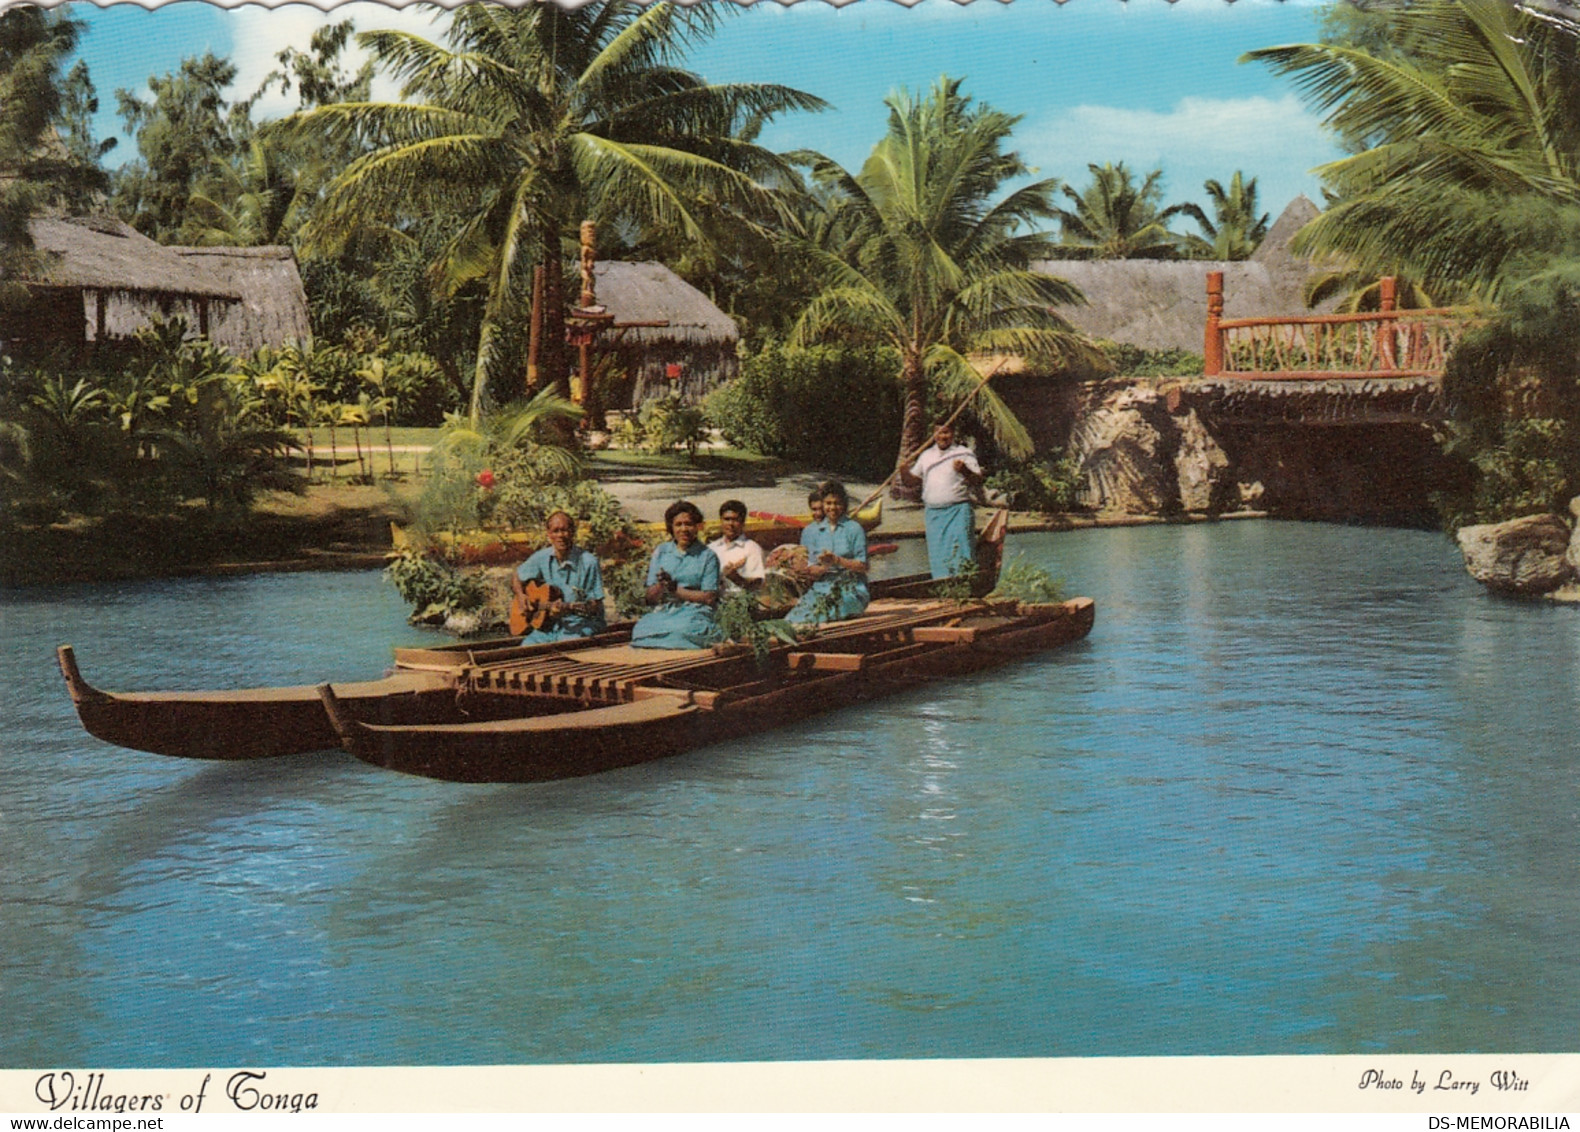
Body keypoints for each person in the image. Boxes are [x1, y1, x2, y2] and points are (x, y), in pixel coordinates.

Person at [632, 500, 723, 649]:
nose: (684, 529)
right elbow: (650, 597)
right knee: (641, 629)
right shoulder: (662, 552)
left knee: (685, 629)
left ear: (697, 527)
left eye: (689, 524)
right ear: (671, 528)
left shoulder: (708, 556)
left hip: (695, 611)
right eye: (678, 524)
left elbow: (709, 597)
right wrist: (661, 585)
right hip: (666, 610)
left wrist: (675, 590)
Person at [899, 420, 984, 579]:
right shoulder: (926, 455)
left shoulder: (963, 453)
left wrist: (964, 470)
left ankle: (967, 584)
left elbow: (978, 481)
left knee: (962, 548)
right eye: (939, 432)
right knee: (938, 553)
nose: (942, 436)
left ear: (953, 434)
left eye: (946, 432)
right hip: (934, 514)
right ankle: (943, 584)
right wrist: (904, 472)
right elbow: (912, 482)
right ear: (934, 434)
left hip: (958, 511)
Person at [513, 511, 606, 644]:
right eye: (556, 531)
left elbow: (595, 606)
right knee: (525, 649)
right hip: (548, 628)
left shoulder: (588, 562)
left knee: (565, 647)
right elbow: (517, 576)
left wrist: (568, 608)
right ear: (548, 534)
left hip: (580, 625)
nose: (560, 536)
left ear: (573, 532)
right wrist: (521, 596)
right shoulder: (541, 557)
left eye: (565, 530)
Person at [787, 481, 870, 625]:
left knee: (824, 613)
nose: (832, 508)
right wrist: (818, 568)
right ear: (823, 504)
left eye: (837, 503)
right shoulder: (812, 531)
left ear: (844, 504)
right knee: (793, 620)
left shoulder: (854, 529)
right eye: (828, 503)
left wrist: (837, 560)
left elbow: (863, 566)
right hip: (821, 589)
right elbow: (811, 568)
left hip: (852, 589)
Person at [707, 499, 765, 596]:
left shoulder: (752, 548)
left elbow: (757, 586)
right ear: (721, 521)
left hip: (739, 604)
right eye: (727, 519)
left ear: (743, 522)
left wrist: (735, 577)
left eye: (735, 520)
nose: (731, 524)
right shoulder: (711, 549)